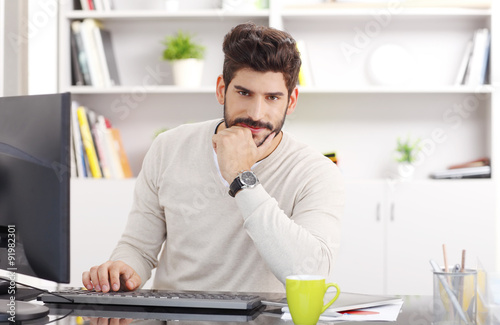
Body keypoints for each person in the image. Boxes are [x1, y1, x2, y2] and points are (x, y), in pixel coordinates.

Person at [82, 22, 344, 294]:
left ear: (291, 101)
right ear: (222, 89)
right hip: (176, 320)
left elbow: (310, 272)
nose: (256, 113)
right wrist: (122, 270)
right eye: (244, 93)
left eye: (272, 98)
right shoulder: (168, 148)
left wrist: (243, 180)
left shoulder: (317, 173)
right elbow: (138, 248)